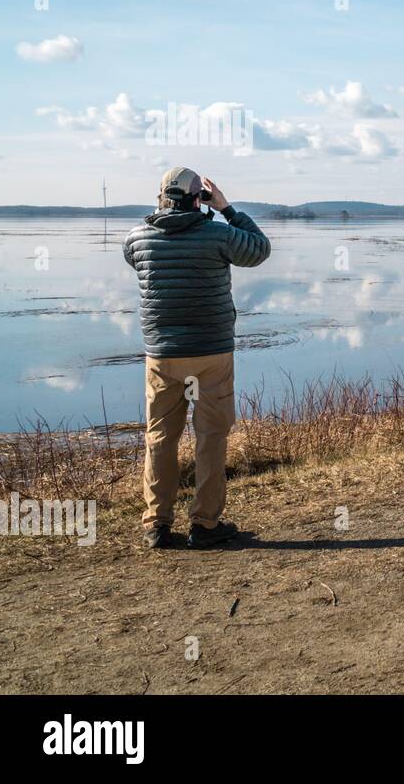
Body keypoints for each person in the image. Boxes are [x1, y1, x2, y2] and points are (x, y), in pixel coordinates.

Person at [123, 168, 271, 549]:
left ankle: (156, 523)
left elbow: (136, 259)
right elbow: (259, 249)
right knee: (211, 438)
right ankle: (205, 524)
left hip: (162, 355)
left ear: (159, 197)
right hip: (210, 353)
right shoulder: (218, 234)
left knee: (160, 438)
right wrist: (225, 207)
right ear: (196, 199)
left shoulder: (137, 239)